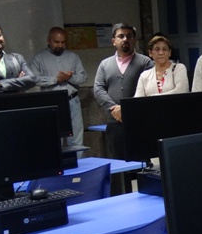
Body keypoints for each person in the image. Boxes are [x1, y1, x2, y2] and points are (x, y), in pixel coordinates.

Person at [93, 23, 152, 160]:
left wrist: (127, 110)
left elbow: (149, 89)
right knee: (119, 165)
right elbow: (98, 89)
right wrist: (114, 108)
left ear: (134, 40)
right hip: (114, 122)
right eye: (121, 36)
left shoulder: (145, 62)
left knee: (141, 163)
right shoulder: (105, 64)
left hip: (139, 122)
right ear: (113, 41)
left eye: (129, 36)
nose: (125, 39)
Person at [30, 26, 88, 148]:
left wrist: (69, 78)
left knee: (76, 141)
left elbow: (83, 78)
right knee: (55, 140)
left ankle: (78, 166)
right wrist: (56, 79)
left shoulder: (73, 57)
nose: (60, 45)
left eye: (63, 42)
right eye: (56, 42)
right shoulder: (39, 58)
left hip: (72, 101)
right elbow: (33, 79)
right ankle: (59, 167)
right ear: (48, 40)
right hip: (51, 103)